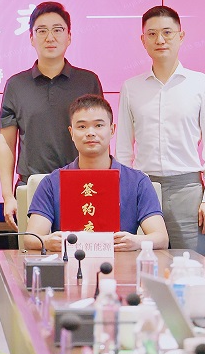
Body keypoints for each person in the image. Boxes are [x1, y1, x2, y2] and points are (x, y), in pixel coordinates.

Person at [116, 5, 205, 252]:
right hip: (143, 187)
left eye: (167, 32)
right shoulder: (131, 87)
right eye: (152, 34)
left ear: (181, 36)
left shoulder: (202, 84)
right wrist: (123, 192)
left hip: (188, 189)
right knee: (142, 264)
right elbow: (123, 149)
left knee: (193, 263)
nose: (160, 40)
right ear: (143, 40)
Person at [0, 1, 102, 230]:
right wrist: (7, 195)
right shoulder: (16, 84)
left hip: (80, 185)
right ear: (31, 38)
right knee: (32, 250)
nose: (50, 37)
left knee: (81, 249)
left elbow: (100, 137)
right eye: (42, 31)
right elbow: (7, 142)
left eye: (57, 30)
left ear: (69, 37)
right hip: (31, 186)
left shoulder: (88, 81)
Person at [25, 94, 168, 253]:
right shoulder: (52, 182)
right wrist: (47, 242)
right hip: (69, 265)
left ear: (112, 130)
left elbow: (161, 237)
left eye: (99, 125)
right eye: (82, 127)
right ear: (71, 132)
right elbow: (31, 238)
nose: (90, 133)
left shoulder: (137, 181)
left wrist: (136, 241)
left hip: (122, 265)